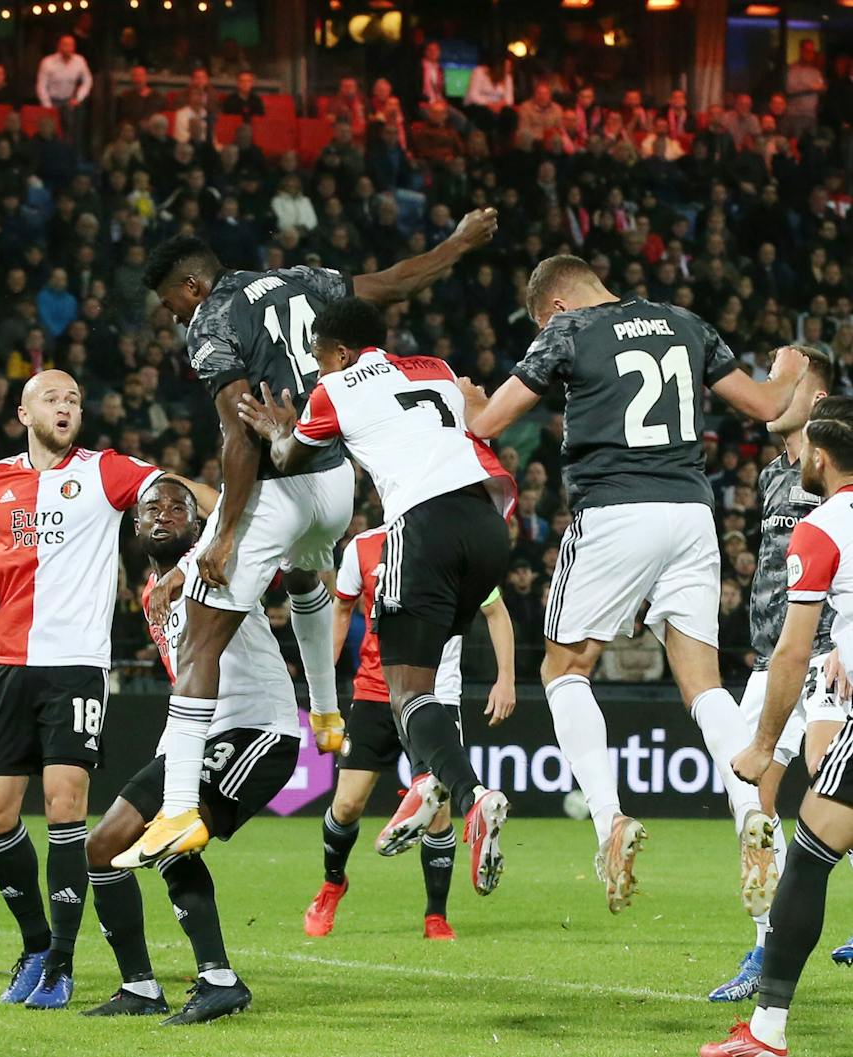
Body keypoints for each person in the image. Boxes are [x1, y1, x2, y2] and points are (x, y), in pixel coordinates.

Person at [118, 209, 499, 871]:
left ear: (190, 287)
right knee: (305, 575)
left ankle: (179, 807)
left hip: (280, 484)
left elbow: (241, 435)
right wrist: (459, 244)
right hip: (336, 486)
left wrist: (223, 534)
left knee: (198, 636)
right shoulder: (303, 280)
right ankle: (326, 711)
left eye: (169, 303)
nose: (174, 317)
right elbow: (391, 284)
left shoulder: (213, 318)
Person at [469, 254, 806, 916]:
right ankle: (752, 815)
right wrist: (790, 369)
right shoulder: (686, 322)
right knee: (704, 684)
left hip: (616, 508)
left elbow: (486, 425)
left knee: (565, 667)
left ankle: (608, 821)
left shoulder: (567, 332)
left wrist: (469, 398)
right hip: (690, 512)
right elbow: (768, 404)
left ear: (554, 308)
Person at [0, 369, 206, 1010]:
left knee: (64, 806)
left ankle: (62, 962)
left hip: (76, 665)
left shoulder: (107, 471)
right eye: (52, 398)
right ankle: (33, 944)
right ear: (23, 413)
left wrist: (206, 533)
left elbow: (178, 493)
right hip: (7, 663)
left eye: (75, 398)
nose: (66, 406)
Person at [237, 296, 517, 896]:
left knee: (405, 688)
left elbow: (289, 461)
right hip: (491, 522)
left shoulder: (332, 392)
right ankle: (429, 782)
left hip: (423, 527)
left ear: (339, 351)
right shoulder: (436, 368)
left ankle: (471, 797)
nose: (315, 368)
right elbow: (479, 417)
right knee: (427, 674)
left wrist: (277, 430)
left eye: (317, 356)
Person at [83, 478, 292, 1024]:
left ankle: (219, 980)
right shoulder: (152, 590)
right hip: (198, 736)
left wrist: (204, 532)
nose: (165, 515)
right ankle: (140, 988)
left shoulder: (221, 561)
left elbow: (237, 514)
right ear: (136, 526)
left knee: (175, 844)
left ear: (198, 525)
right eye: (153, 508)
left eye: (180, 508)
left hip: (256, 729)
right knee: (103, 845)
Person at [703, 398, 853, 1057]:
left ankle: (766, 1032)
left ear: (818, 456)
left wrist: (763, 746)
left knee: (811, 853)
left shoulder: (822, 529)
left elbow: (791, 651)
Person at [304, 523, 517, 940]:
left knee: (436, 809)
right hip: (373, 692)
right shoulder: (363, 547)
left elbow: (496, 611)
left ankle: (435, 915)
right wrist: (323, 688)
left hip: (437, 693)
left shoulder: (454, 542)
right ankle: (333, 884)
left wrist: (505, 678)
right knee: (346, 805)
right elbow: (342, 609)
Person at [34, 36, 91, 147]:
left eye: (70, 45)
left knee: (72, 132)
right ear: (59, 46)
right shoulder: (48, 62)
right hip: (52, 101)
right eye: (65, 45)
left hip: (69, 101)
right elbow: (41, 85)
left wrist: (79, 97)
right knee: (51, 132)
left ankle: (72, 156)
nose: (68, 48)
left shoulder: (80, 61)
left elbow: (88, 80)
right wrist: (47, 105)